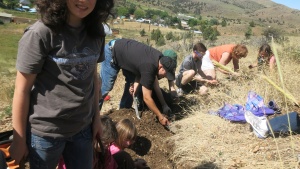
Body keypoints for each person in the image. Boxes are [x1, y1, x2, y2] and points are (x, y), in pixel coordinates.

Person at [9, 0, 114, 168]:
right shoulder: (41, 33)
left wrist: (96, 119)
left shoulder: (97, 32)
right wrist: (19, 140)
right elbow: (22, 90)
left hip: (82, 129)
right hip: (46, 134)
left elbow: (93, 78)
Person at [99, 38, 177, 127]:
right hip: (112, 51)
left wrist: (135, 87)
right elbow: (147, 98)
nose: (164, 77)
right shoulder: (150, 66)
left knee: (131, 83)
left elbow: (140, 71)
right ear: (161, 67)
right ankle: (93, 116)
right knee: (105, 87)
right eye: (165, 74)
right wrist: (160, 116)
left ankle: (123, 111)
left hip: (124, 50)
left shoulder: (159, 58)